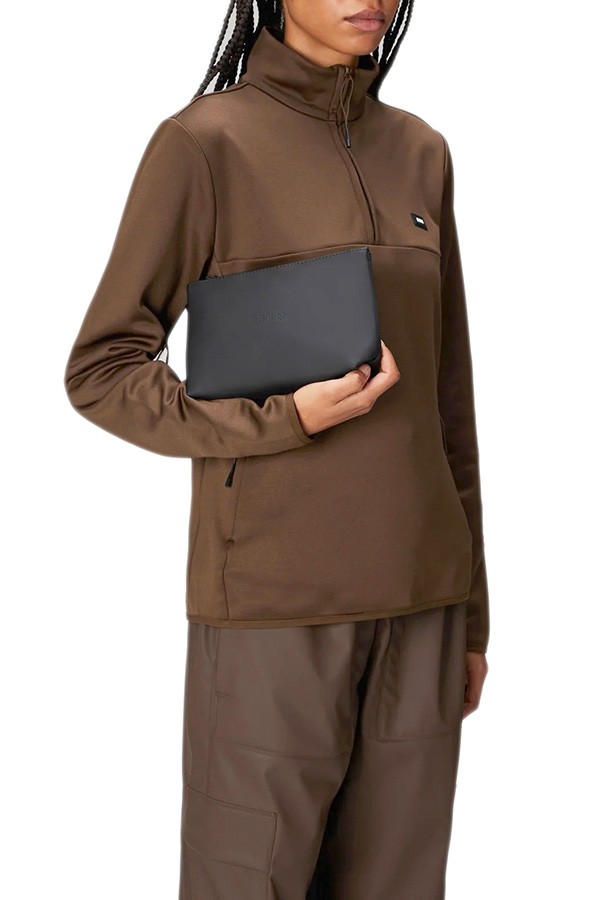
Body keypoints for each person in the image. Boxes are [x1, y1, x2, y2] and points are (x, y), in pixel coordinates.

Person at [64, 1, 490, 897]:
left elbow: (449, 403)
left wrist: (475, 617)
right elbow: (102, 370)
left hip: (424, 607)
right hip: (273, 604)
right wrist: (281, 420)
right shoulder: (204, 145)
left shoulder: (422, 151)